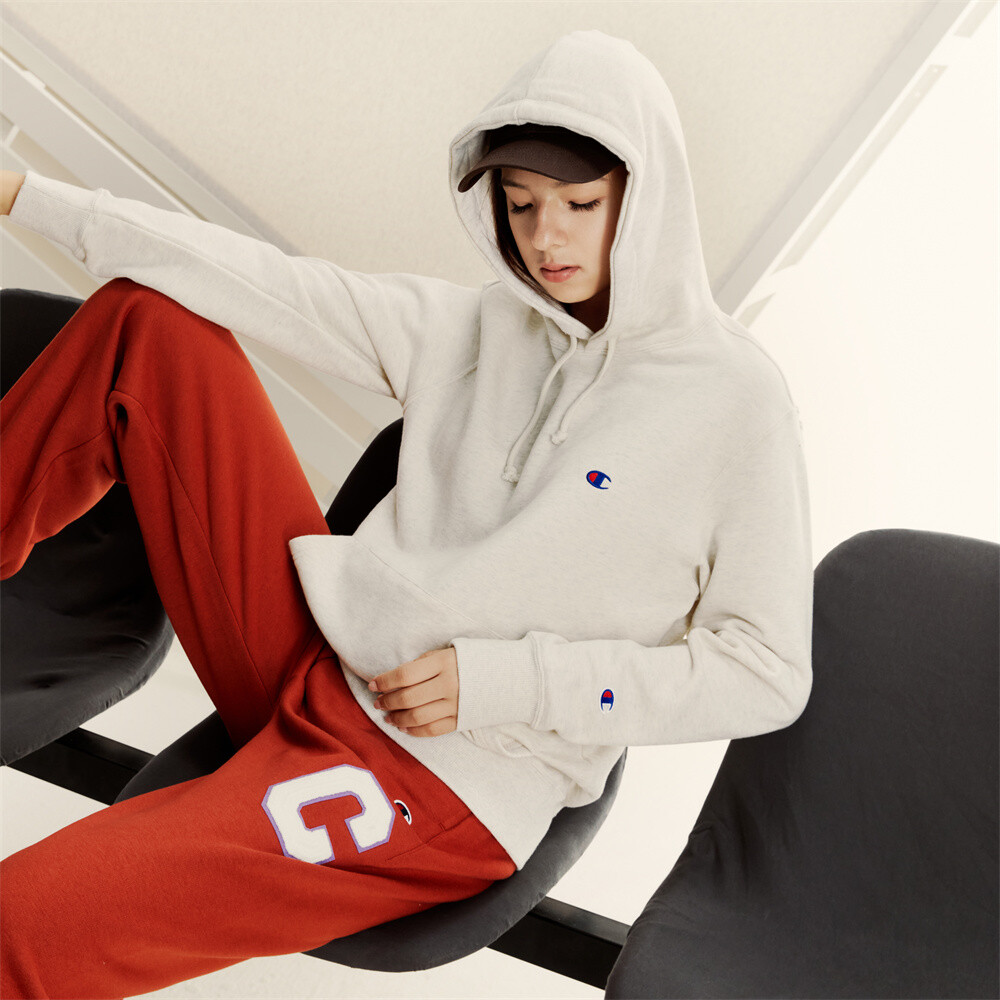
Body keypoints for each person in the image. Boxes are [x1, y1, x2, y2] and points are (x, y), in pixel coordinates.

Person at [0, 27, 814, 1000]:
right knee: (153, 325)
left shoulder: (734, 403)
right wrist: (22, 196)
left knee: (20, 924)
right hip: (317, 657)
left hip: (434, 778)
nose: (544, 239)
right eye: (520, 204)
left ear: (645, 198)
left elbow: (764, 675)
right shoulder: (476, 327)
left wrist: (512, 682)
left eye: (579, 205)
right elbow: (268, 284)